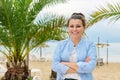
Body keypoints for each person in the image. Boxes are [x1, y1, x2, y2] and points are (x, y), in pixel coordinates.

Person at [52, 13, 97, 80]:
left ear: (84, 28)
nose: (74, 29)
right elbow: (55, 65)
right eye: (71, 26)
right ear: (68, 28)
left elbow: (90, 67)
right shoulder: (61, 45)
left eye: (78, 26)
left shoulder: (90, 45)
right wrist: (82, 65)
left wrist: (65, 63)